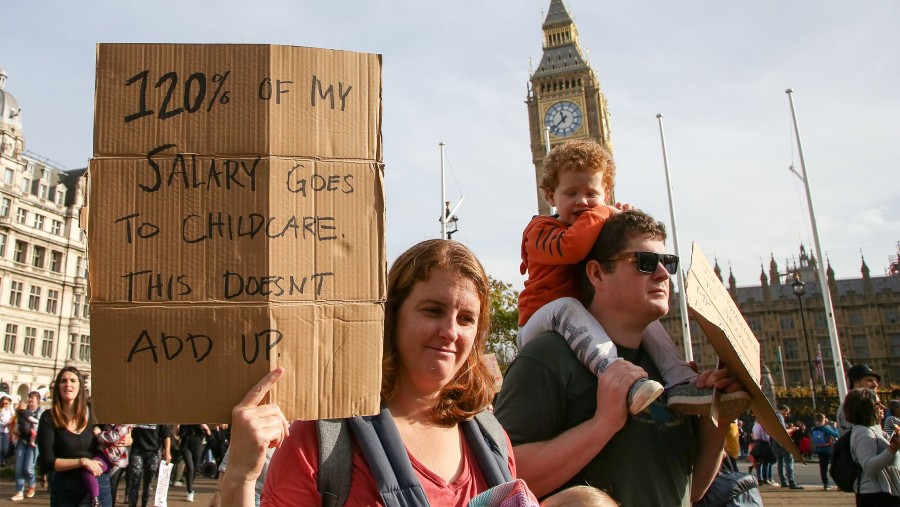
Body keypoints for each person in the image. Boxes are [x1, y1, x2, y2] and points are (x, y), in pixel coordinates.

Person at [221, 239, 523, 506]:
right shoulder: (323, 436)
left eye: (467, 319)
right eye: (432, 310)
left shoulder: (492, 438)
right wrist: (239, 479)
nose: (450, 331)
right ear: (392, 316)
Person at [495, 209, 749, 504]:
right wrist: (603, 425)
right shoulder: (548, 357)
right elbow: (503, 479)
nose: (663, 274)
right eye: (645, 262)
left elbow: (687, 490)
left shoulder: (670, 371)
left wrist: (715, 426)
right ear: (597, 273)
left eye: (668, 263)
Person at [516, 139, 722, 416]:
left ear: (607, 192)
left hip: (583, 323)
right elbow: (571, 246)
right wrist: (606, 212)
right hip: (539, 323)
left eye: (592, 193)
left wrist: (621, 221)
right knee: (567, 306)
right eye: (571, 193)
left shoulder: (593, 226)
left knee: (642, 313)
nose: (582, 201)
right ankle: (618, 375)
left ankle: (679, 377)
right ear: (551, 197)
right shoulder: (540, 231)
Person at [36, 366, 112, 507]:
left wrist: (128, 439)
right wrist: (81, 461)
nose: (68, 384)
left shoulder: (95, 412)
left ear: (81, 386)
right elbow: (47, 461)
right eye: (63, 381)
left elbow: (117, 432)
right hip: (65, 489)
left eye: (73, 380)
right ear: (57, 386)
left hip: (98, 485)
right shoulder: (48, 418)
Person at [844, 388, 900, 506]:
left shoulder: (871, 429)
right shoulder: (864, 433)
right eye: (878, 403)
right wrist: (892, 448)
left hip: (882, 493)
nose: (883, 407)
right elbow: (869, 467)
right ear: (865, 407)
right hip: (876, 496)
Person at [126, 424, 171, 507]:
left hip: (154, 453)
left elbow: (166, 435)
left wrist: (167, 451)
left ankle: (145, 505)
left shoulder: (159, 416)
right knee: (135, 482)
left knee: (148, 483)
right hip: (137, 451)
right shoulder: (136, 414)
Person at [11, 391, 42, 501]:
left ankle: (31, 486)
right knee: (19, 467)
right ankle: (19, 491)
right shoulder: (23, 411)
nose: (30, 400)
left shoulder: (40, 412)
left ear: (37, 400)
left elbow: (42, 425)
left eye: (32, 398)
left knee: (28, 468)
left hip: (34, 442)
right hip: (22, 440)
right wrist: (17, 430)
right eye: (29, 398)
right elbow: (17, 422)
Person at [95, 424, 132, 506]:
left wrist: (130, 439)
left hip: (116, 459)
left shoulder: (122, 423)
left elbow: (118, 436)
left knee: (112, 485)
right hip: (100, 455)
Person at [839, 364, 881, 436]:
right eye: (870, 380)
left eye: (876, 381)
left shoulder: (866, 403)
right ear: (856, 383)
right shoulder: (851, 406)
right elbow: (858, 439)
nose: (875, 384)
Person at [772, 404, 803, 489]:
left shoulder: (773, 416)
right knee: (789, 460)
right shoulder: (779, 416)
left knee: (780, 462)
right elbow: (782, 431)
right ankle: (792, 481)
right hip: (782, 441)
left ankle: (783, 481)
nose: (787, 414)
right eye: (786, 412)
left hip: (775, 441)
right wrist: (793, 429)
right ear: (783, 410)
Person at [178, 424, 211, 502]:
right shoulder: (185, 423)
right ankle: (190, 491)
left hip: (198, 445)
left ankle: (190, 485)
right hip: (186, 445)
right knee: (190, 467)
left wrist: (206, 428)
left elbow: (210, 437)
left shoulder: (201, 424)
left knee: (194, 468)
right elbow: (178, 433)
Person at [811, 413, 840, 490]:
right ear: (823, 419)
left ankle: (826, 484)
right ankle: (839, 484)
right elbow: (837, 435)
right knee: (835, 467)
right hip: (829, 450)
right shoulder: (825, 428)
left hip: (820, 450)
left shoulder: (813, 428)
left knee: (823, 468)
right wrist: (835, 428)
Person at [750, 419, 775, 486]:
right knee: (766, 462)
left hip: (757, 443)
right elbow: (764, 437)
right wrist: (769, 439)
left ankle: (759, 478)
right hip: (763, 444)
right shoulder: (762, 426)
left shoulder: (755, 425)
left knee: (759, 462)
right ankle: (765, 478)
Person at [0, 395, 13, 467]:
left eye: (6, 403)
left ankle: (3, 459)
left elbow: (12, 418)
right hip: (0, 430)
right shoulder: (0, 410)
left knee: (5, 448)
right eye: (3, 403)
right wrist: (4, 424)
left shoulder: (10, 410)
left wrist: (10, 422)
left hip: (7, 431)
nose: (4, 405)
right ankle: (1, 460)